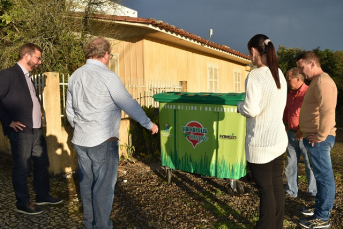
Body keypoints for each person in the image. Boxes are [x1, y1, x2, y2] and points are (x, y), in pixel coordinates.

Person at [66, 37, 159, 229]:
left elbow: (69, 110)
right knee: (103, 188)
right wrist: (149, 124)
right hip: (103, 140)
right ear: (105, 55)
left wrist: (81, 127)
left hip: (81, 140)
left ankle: (89, 224)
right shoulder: (108, 77)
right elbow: (128, 103)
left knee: (86, 185)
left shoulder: (75, 75)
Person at [0, 43, 63, 215]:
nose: (40, 62)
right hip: (21, 132)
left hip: (36, 130)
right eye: (38, 58)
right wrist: (8, 122)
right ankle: (22, 202)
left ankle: (42, 195)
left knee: (42, 164)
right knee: (22, 168)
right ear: (27, 56)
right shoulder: (9, 74)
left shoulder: (28, 77)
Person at [237, 34, 288, 229]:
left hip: (261, 144)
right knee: (276, 188)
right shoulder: (279, 74)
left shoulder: (255, 75)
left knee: (266, 192)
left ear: (254, 51)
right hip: (277, 141)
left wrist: (239, 106)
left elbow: (251, 109)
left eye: (249, 52)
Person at [296, 51, 337, 229]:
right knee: (320, 178)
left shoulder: (323, 82)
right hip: (314, 137)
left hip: (319, 139)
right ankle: (320, 209)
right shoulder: (316, 82)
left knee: (324, 178)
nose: (300, 71)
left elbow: (328, 112)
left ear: (312, 63)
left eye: (301, 67)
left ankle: (322, 218)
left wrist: (320, 136)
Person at [283, 67, 317, 198]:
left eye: (288, 79)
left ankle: (313, 192)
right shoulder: (290, 93)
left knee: (310, 164)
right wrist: (285, 123)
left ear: (298, 78)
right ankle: (291, 191)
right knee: (291, 164)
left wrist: (302, 130)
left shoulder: (309, 92)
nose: (287, 81)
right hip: (291, 134)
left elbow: (312, 114)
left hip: (305, 134)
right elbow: (287, 110)